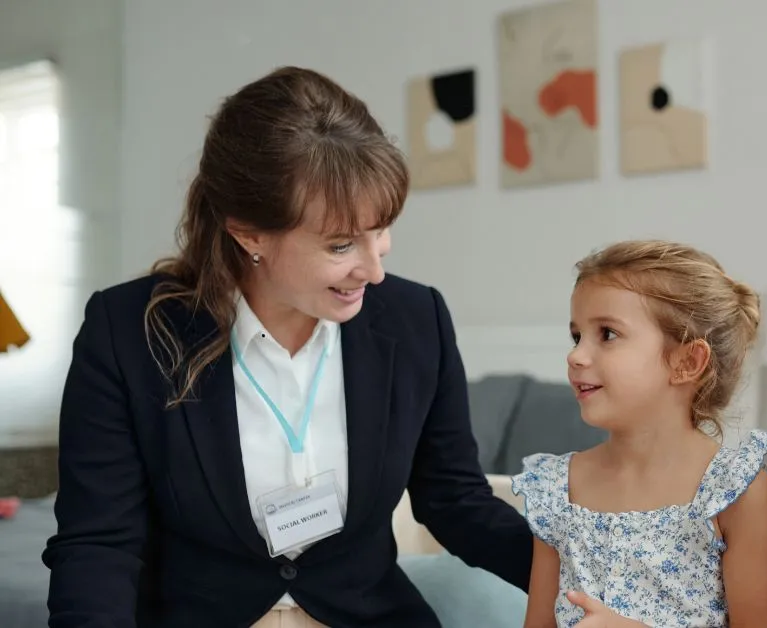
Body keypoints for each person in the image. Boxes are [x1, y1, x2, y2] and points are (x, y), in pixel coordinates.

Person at [42, 66, 532, 627]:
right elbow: (98, 543)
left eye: (383, 230)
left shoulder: (416, 320)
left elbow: (457, 502)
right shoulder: (129, 331)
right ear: (249, 233)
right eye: (342, 244)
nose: (373, 271)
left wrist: (584, 580)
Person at [514, 240, 767, 628]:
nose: (576, 356)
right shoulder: (555, 490)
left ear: (686, 362)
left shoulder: (735, 488)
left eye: (607, 334)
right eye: (577, 336)